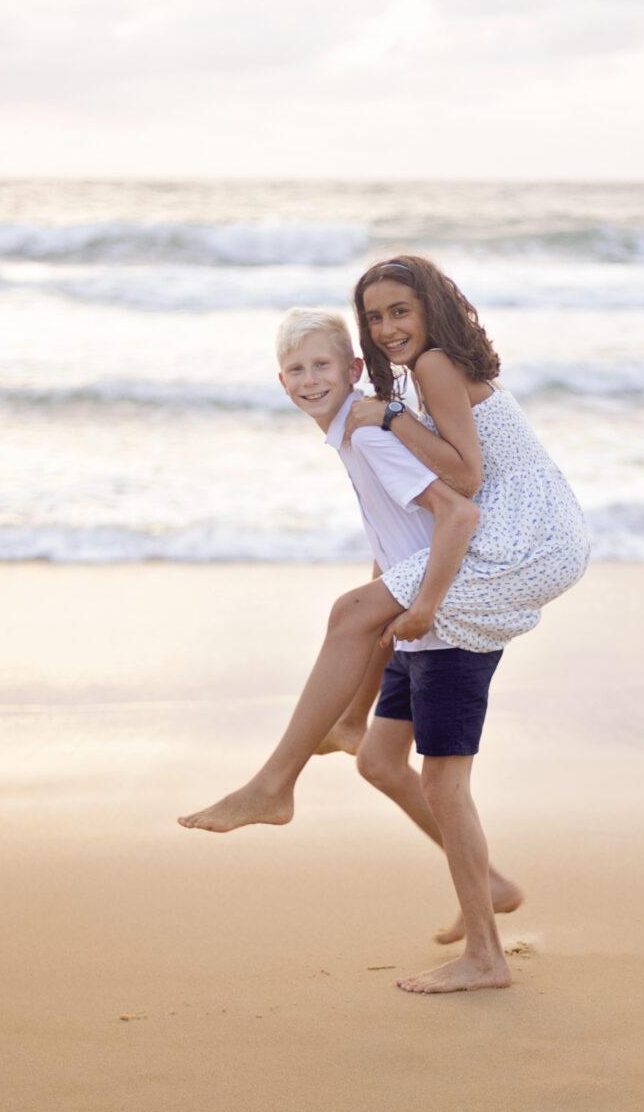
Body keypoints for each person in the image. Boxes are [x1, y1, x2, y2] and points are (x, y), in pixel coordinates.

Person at [178, 309, 519, 994]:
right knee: (378, 761)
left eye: (322, 366)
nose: (310, 379)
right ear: (281, 382)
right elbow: (394, 538)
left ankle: (485, 955)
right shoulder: (350, 436)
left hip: (450, 614)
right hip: (416, 604)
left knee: (445, 785)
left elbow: (457, 513)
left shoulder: (371, 437)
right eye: (297, 370)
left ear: (353, 371)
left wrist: (418, 608)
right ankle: (490, 884)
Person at [344, 254, 591, 657]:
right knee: (383, 615)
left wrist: (392, 416)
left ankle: (353, 721)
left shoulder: (434, 364)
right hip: (546, 532)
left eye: (399, 312)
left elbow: (466, 478)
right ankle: (365, 719)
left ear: (430, 309)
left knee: (355, 614)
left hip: (530, 540)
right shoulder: (442, 363)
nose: (387, 330)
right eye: (374, 318)